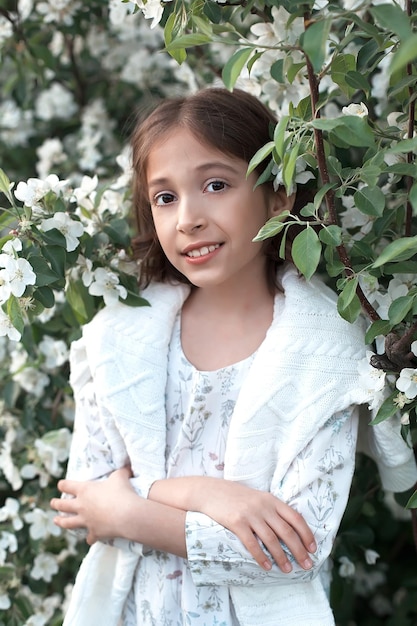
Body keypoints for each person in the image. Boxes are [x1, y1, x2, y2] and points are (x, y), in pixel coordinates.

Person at [51, 88, 417, 626]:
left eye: (216, 185)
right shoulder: (118, 338)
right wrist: (208, 496)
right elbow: (87, 501)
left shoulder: (324, 354)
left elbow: (297, 551)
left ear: (278, 198)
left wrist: (131, 509)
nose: (188, 219)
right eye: (164, 197)